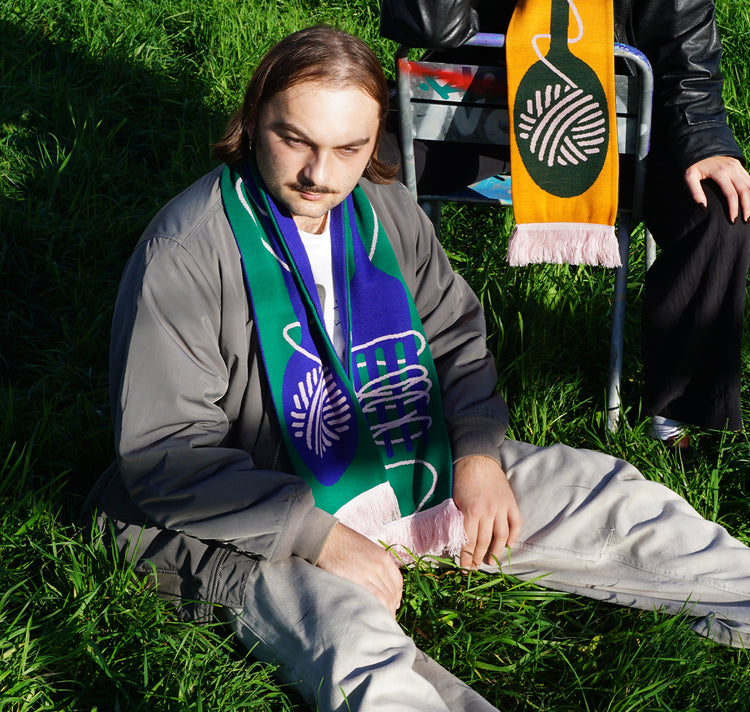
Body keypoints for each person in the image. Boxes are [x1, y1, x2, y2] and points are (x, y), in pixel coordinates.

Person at [85, 25, 750, 712]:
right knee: (355, 648)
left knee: (610, 498)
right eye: (295, 140)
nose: (321, 175)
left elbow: (455, 337)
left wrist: (477, 454)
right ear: (252, 121)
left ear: (377, 138)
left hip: (407, 453)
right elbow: (166, 456)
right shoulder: (185, 252)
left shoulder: (386, 206)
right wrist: (318, 535)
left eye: (350, 148)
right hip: (257, 509)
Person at [379, 0, 750, 448]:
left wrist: (706, 141)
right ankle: (366, 368)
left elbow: (688, 62)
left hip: (614, 129)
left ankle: (677, 407)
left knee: (721, 211)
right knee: (352, 175)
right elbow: (428, 26)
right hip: (474, 112)